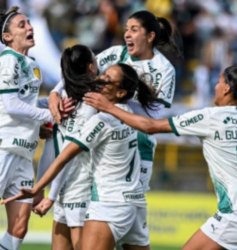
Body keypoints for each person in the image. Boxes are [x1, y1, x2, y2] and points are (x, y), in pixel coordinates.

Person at [84, 53, 237, 250]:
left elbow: (150, 126)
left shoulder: (212, 117)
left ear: (226, 88)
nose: (215, 86)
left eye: (218, 82)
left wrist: (109, 107)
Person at [2, 63, 157, 250]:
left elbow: (63, 157)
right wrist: (54, 96)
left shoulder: (101, 121)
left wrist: (38, 188)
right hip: (135, 202)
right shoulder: (129, 114)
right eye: (103, 74)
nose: (100, 79)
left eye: (107, 80)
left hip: (109, 203)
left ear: (121, 93)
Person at [50, 10, 182, 193]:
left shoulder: (165, 69)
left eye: (134, 29)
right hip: (102, 145)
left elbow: (155, 116)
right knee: (92, 209)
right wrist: (54, 93)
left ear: (150, 36)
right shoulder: (115, 53)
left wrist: (112, 106)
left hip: (137, 149)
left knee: (128, 210)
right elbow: (81, 72)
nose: (127, 34)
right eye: (127, 29)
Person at [34, 44, 98, 250]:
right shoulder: (75, 104)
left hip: (78, 186)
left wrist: (48, 193)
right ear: (90, 67)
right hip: (69, 184)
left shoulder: (82, 104)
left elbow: (65, 154)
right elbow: (61, 151)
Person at [0, 6, 53, 250]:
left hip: (24, 152)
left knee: (20, 226)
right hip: (5, 147)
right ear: (7, 37)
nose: (30, 27)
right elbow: (11, 105)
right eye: (22, 25)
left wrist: (53, 103)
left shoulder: (31, 63)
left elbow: (27, 103)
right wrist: (48, 113)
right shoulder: (9, 59)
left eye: (29, 23)